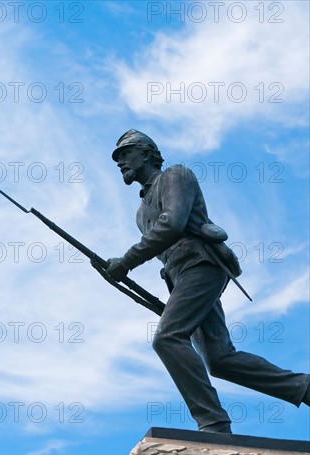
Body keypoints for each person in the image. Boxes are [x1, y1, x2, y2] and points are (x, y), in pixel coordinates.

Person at [106, 129, 310, 433]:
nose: (120, 162)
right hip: (182, 278)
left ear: (146, 153)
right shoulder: (140, 213)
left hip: (201, 266)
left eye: (125, 154)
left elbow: (172, 225)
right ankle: (304, 388)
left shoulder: (175, 176)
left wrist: (126, 261)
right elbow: (164, 253)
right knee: (219, 359)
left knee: (167, 338)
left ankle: (213, 423)